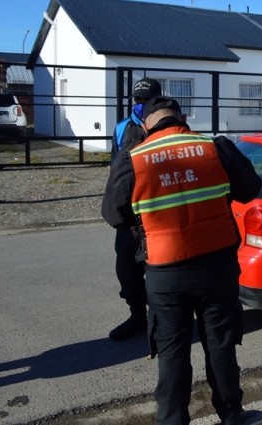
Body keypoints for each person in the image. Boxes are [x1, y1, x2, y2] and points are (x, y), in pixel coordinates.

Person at [101, 96, 261, 425]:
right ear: (182, 117)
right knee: (220, 345)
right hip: (217, 267)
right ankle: (231, 414)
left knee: (172, 352)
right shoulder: (214, 147)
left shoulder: (135, 158)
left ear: (145, 125)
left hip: (165, 271)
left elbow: (114, 214)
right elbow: (251, 188)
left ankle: (172, 420)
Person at [107, 77, 161, 341]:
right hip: (130, 216)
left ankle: (162, 317)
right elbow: (115, 170)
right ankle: (137, 315)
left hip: (158, 212)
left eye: (146, 100)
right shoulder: (121, 129)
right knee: (126, 269)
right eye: (137, 100)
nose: (140, 105)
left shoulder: (165, 127)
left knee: (160, 269)